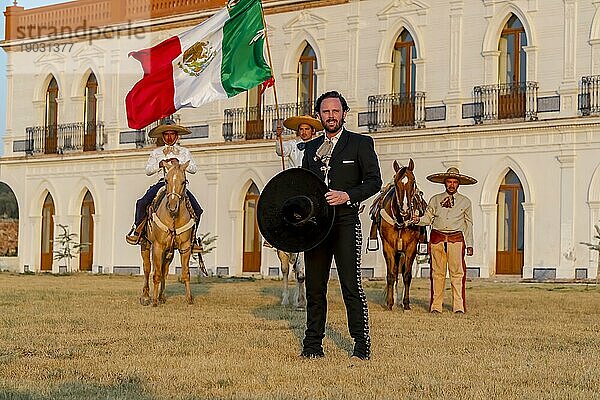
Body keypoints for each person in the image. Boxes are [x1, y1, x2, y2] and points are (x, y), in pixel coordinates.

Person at [300, 91, 382, 361]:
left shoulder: (360, 143)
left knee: (350, 284)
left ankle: (361, 344)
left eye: (335, 111)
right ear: (319, 116)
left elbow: (374, 182)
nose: (331, 116)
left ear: (344, 114)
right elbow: (305, 187)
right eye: (325, 112)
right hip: (316, 227)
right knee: (314, 287)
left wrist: (348, 195)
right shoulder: (310, 149)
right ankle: (312, 345)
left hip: (346, 221)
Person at [125, 120, 204, 252]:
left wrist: (180, 162)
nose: (169, 137)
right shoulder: (156, 153)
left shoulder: (184, 152)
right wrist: (159, 165)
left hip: (179, 186)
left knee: (197, 209)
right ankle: (138, 231)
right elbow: (148, 170)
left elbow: (194, 169)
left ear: (177, 136)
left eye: (172, 134)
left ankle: (193, 238)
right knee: (141, 203)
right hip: (162, 184)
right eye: (166, 134)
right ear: (163, 136)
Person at [412, 167, 477, 314]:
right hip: (437, 240)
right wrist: (417, 220)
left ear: (458, 184)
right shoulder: (435, 200)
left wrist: (470, 244)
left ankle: (458, 306)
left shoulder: (465, 202)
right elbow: (427, 219)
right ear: (444, 183)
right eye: (449, 181)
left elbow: (469, 224)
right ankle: (436, 306)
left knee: (457, 274)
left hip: (456, 240)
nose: (452, 185)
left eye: (454, 182)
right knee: (437, 274)